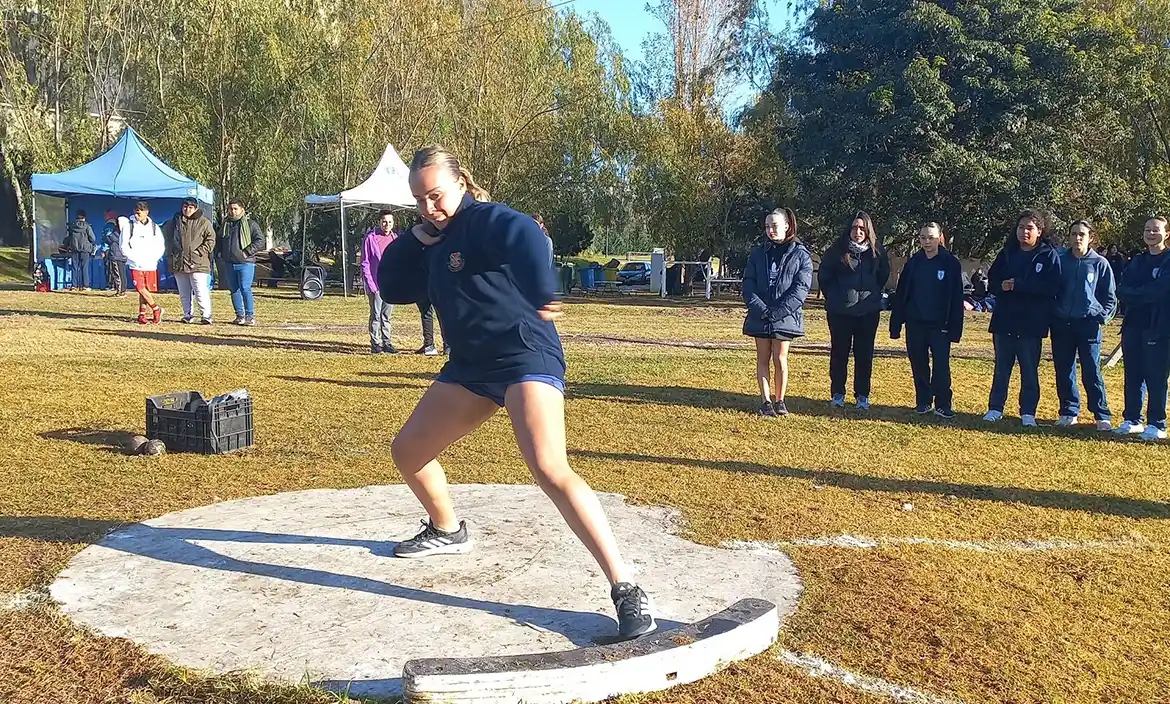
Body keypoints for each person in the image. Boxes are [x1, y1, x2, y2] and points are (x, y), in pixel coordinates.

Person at [377, 145, 655, 640]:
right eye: (418, 200)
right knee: (408, 451)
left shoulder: (482, 220)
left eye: (436, 197)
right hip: (470, 367)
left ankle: (627, 588)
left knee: (550, 467)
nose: (428, 209)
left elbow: (525, 234)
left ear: (461, 183)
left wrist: (543, 288)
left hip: (524, 355)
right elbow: (392, 285)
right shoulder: (431, 237)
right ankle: (447, 529)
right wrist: (416, 239)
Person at [983, 209, 1062, 426]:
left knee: (1029, 369)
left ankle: (1028, 412)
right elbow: (992, 282)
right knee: (1001, 368)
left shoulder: (1047, 255)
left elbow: (1052, 286)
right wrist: (1001, 286)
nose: (1024, 232)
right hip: (1004, 320)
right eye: (1020, 227)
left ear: (1040, 231)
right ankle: (995, 408)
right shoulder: (1007, 253)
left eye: (1029, 228)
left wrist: (1020, 285)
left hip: (1031, 323)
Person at [888, 222, 965, 419]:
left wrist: (955, 329)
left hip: (941, 325)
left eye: (931, 237)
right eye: (923, 238)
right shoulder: (914, 263)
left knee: (941, 365)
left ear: (940, 238)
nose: (927, 242)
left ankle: (943, 404)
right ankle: (923, 402)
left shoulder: (950, 263)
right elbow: (902, 293)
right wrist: (896, 324)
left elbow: (956, 299)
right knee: (919, 364)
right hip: (915, 323)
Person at [742, 207, 813, 417]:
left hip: (784, 317)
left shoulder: (801, 255)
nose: (770, 230)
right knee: (762, 358)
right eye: (767, 227)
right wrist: (761, 309)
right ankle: (765, 401)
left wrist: (777, 312)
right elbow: (748, 284)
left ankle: (780, 400)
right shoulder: (758, 253)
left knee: (780, 358)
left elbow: (800, 289)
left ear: (787, 226)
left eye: (774, 226)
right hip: (760, 315)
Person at [818, 211, 891, 409]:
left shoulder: (877, 252)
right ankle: (838, 394)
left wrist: (872, 295)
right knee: (839, 353)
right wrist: (835, 297)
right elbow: (824, 277)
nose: (857, 231)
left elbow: (883, 275)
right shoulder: (836, 251)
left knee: (864, 355)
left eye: (862, 228)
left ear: (868, 230)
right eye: (854, 227)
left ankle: (862, 395)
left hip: (868, 312)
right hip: (840, 313)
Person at [1051, 220, 1117, 430]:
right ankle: (1069, 411)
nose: (1077, 238)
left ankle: (1101, 414)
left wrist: (1100, 316)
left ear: (1091, 238)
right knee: (1064, 369)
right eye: (1073, 234)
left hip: (1088, 325)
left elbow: (1110, 298)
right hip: (1062, 324)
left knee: (1091, 371)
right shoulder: (1060, 261)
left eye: (1082, 234)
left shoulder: (1099, 263)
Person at [1114, 216, 1170, 441]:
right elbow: (1122, 289)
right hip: (1133, 325)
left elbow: (1159, 291)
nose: (1151, 233)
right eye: (1147, 229)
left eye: (1155, 230)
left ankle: (1157, 423)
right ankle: (1132, 419)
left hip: (1158, 327)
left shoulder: (1168, 261)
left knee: (1155, 376)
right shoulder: (1137, 260)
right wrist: (1139, 295)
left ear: (1166, 233)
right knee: (1133, 374)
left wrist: (1137, 294)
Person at [164, 197, 216, 324]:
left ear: (196, 208)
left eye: (190, 207)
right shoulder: (175, 222)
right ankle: (187, 314)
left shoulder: (204, 222)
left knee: (200, 289)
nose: (187, 209)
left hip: (198, 262)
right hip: (179, 261)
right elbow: (167, 237)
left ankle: (206, 315)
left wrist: (199, 252)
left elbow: (211, 240)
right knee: (184, 291)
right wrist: (171, 254)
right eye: (185, 207)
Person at [216, 200, 265, 326]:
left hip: (245, 262)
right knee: (234, 289)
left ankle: (250, 316)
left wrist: (247, 252)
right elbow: (220, 240)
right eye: (231, 209)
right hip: (229, 262)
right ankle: (239, 315)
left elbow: (260, 240)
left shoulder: (250, 224)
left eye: (235, 209)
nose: (233, 211)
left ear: (242, 209)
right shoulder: (226, 225)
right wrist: (220, 253)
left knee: (245, 288)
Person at [121, 202, 166, 324]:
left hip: (150, 263)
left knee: (145, 290)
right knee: (140, 288)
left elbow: (160, 245)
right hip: (135, 263)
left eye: (139, 212)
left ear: (146, 212)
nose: (137, 215)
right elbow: (123, 245)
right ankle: (156, 309)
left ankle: (142, 313)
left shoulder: (154, 227)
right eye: (135, 212)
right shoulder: (128, 226)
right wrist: (133, 257)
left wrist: (155, 258)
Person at [362, 210, 399, 354]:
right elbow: (365, 262)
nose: (387, 224)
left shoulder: (395, 238)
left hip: (389, 285)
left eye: (390, 222)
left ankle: (387, 342)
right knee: (376, 315)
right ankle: (375, 343)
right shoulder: (371, 238)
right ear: (379, 222)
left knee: (387, 316)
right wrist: (371, 285)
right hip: (375, 285)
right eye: (384, 221)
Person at [66, 210, 96, 291]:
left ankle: (74, 285)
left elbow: (69, 237)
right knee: (84, 267)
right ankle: (85, 285)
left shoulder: (72, 226)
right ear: (84, 217)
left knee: (74, 267)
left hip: (74, 249)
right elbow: (93, 238)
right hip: (85, 249)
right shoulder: (87, 226)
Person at [101, 210, 127, 297]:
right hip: (122, 254)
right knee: (121, 273)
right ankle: (121, 289)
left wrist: (104, 249)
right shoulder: (125, 232)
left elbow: (108, 238)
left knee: (116, 273)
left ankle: (119, 290)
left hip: (116, 254)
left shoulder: (113, 230)